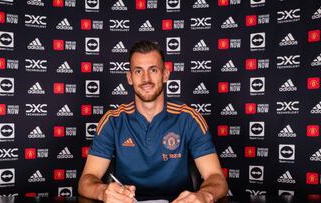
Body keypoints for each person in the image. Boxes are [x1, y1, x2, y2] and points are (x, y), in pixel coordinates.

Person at [78, 40, 228, 203]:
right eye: (138, 71)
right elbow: (87, 180)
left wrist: (203, 195)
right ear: (129, 77)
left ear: (165, 74)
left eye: (153, 70)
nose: (146, 79)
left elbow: (216, 178)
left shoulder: (189, 119)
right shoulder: (113, 120)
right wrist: (103, 192)